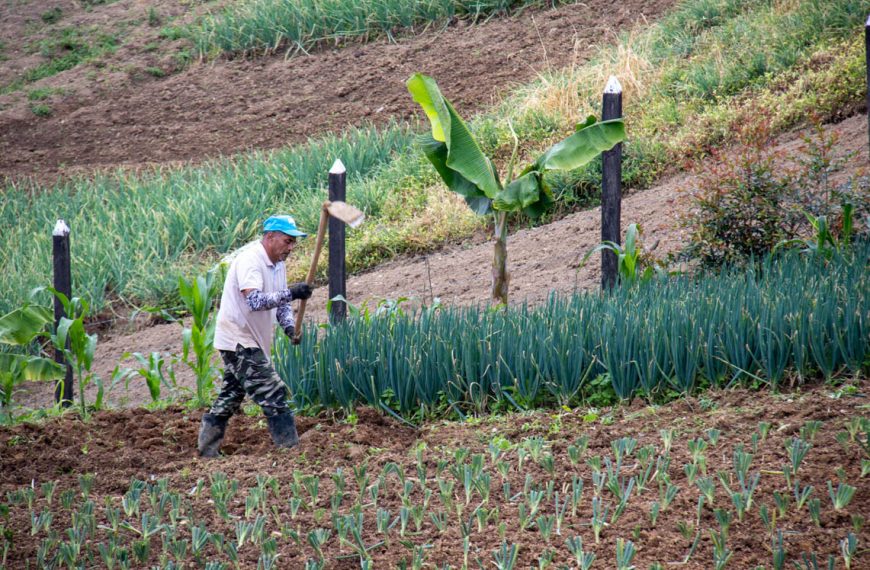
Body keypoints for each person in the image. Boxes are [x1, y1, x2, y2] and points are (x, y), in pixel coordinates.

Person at [197, 214, 313, 457]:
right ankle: (290, 451)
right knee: (273, 391)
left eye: (293, 242)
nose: (291, 247)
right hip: (238, 339)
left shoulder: (278, 264)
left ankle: (207, 451)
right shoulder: (250, 261)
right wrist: (292, 293)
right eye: (287, 241)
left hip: (251, 339)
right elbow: (255, 301)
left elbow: (281, 304)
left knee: (231, 396)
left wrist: (289, 327)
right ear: (270, 237)